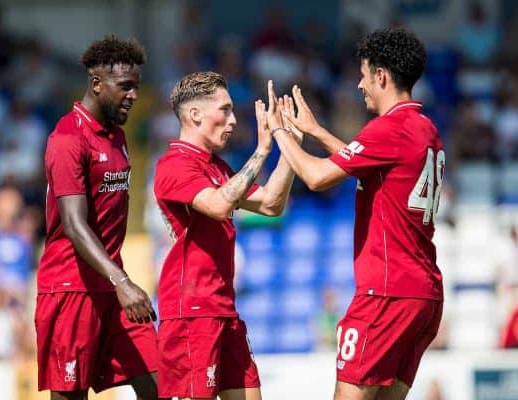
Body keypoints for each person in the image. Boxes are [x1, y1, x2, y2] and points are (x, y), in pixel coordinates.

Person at [270, 28, 444, 400]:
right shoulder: (425, 128)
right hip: (423, 294)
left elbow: (317, 177)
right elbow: (371, 164)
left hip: (385, 293)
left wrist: (279, 133)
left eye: (363, 75)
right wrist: (316, 131)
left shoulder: (388, 129)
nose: (360, 85)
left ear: (381, 76)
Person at [153, 72, 298, 400]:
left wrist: (289, 145)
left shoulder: (216, 167)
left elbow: (272, 205)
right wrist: (261, 151)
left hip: (223, 309)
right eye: (226, 110)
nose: (233, 120)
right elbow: (219, 205)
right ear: (195, 115)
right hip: (191, 312)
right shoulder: (173, 165)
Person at [35, 35, 160, 400]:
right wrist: (122, 281)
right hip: (72, 289)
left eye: (136, 86)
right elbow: (74, 224)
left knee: (160, 385)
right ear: (96, 84)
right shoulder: (67, 139)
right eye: (125, 87)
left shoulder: (116, 136)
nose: (134, 95)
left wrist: (118, 283)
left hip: (111, 286)